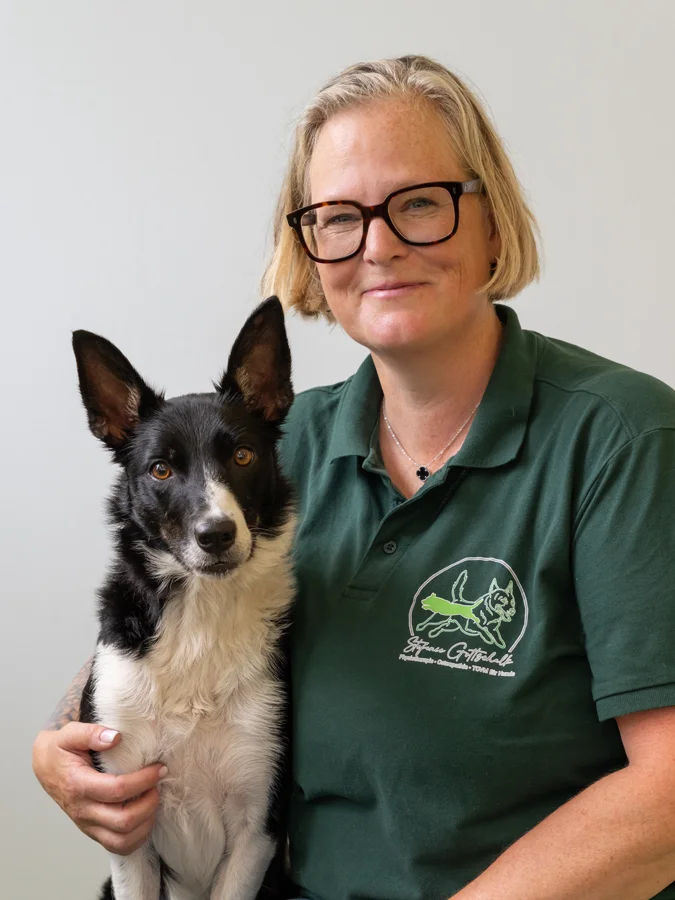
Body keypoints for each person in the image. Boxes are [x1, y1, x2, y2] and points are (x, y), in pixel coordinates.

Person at [33, 55, 675, 900]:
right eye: (338, 217)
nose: (378, 245)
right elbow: (155, 646)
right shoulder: (273, 449)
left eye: (418, 203)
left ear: (490, 221)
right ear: (308, 248)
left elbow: (666, 794)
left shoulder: (621, 441)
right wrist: (58, 754)